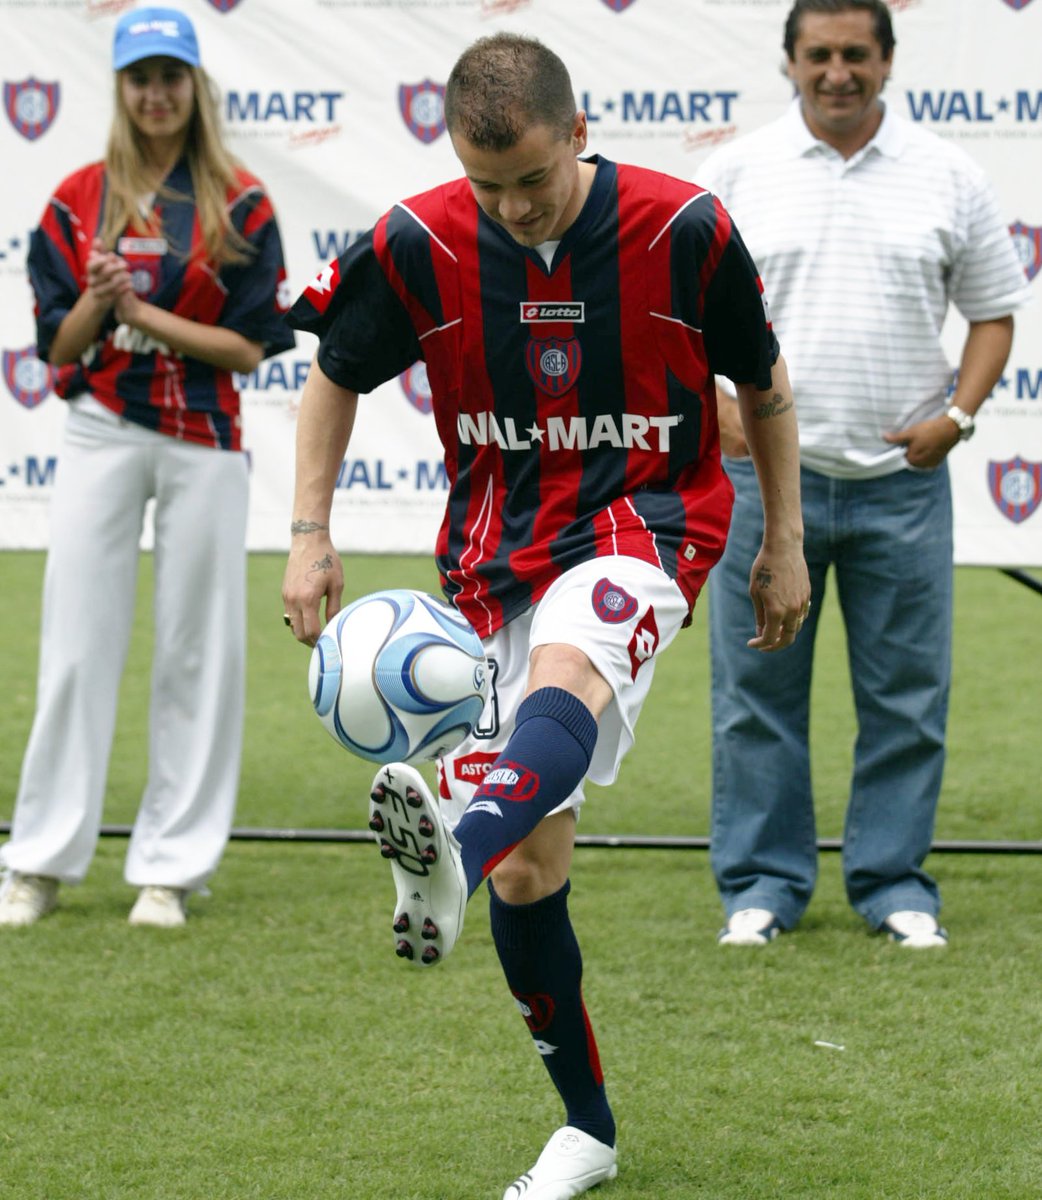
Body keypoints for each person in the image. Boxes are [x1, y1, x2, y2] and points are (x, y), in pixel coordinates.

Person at [282, 32, 809, 1200]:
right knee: (533, 876)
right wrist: (311, 534)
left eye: (533, 178)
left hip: (650, 523)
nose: (515, 207)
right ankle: (587, 1129)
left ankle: (449, 863)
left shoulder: (684, 230)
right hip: (494, 558)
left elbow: (764, 386)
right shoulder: (417, 241)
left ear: (579, 133)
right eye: (491, 187)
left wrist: (783, 540)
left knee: (568, 674)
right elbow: (331, 368)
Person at [697, 0, 1030, 950]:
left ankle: (894, 884)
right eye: (819, 55)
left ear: (887, 61)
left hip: (901, 483)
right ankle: (761, 885)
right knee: (755, 696)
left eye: (855, 54)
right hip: (765, 485)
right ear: (789, 62)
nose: (837, 71)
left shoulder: (949, 174)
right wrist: (712, 402)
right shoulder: (736, 171)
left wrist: (959, 417)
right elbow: (672, 310)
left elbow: (995, 310)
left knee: (908, 697)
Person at [0, 7, 294, 930]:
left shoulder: (240, 201)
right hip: (101, 428)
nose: (157, 95)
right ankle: (39, 860)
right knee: (77, 648)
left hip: (205, 436)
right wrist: (99, 301)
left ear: (193, 87)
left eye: (171, 77)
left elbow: (249, 348)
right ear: (121, 90)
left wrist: (144, 311)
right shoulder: (77, 196)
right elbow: (57, 350)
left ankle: (170, 868)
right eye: (141, 79)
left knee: (198, 652)